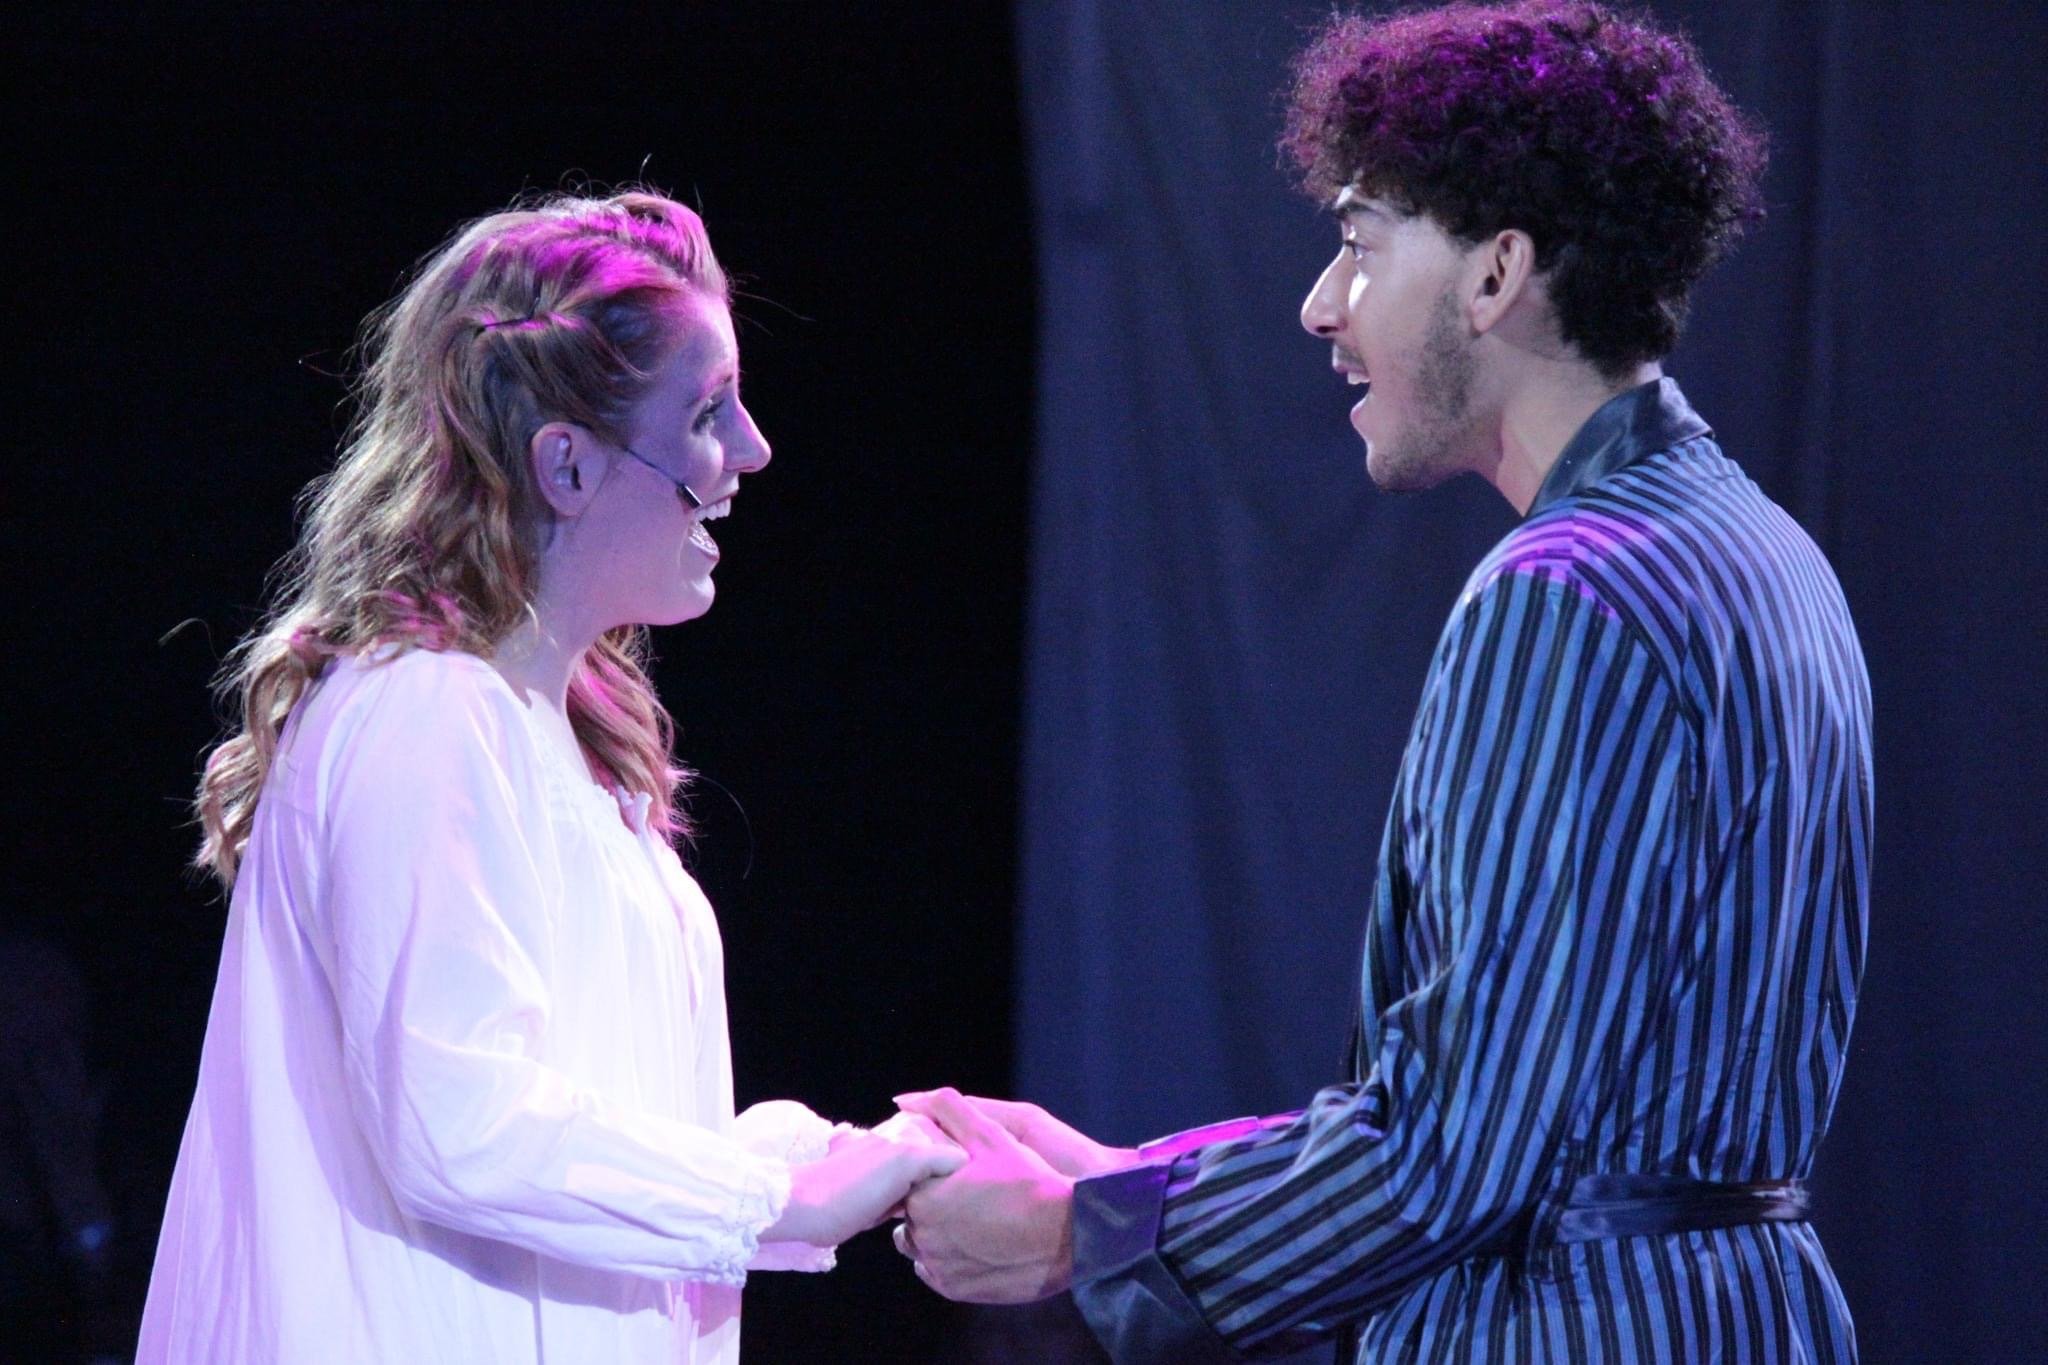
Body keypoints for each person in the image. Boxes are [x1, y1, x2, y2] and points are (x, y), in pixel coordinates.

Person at [893, 3, 1870, 1360]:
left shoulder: (1563, 595)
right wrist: (1123, 1182)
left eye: (1360, 244)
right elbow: (1547, 1092)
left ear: (1494, 274)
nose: (1322, 305)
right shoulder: (1765, 553)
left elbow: (1456, 1141)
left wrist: (1087, 1230)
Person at [138, 190, 962, 1364]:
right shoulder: (425, 709)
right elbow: (455, 1122)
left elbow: (549, 1132)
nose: (752, 451)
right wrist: (765, 1204)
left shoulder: (548, 735)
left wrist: (791, 1165)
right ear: (566, 463)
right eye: (708, 411)